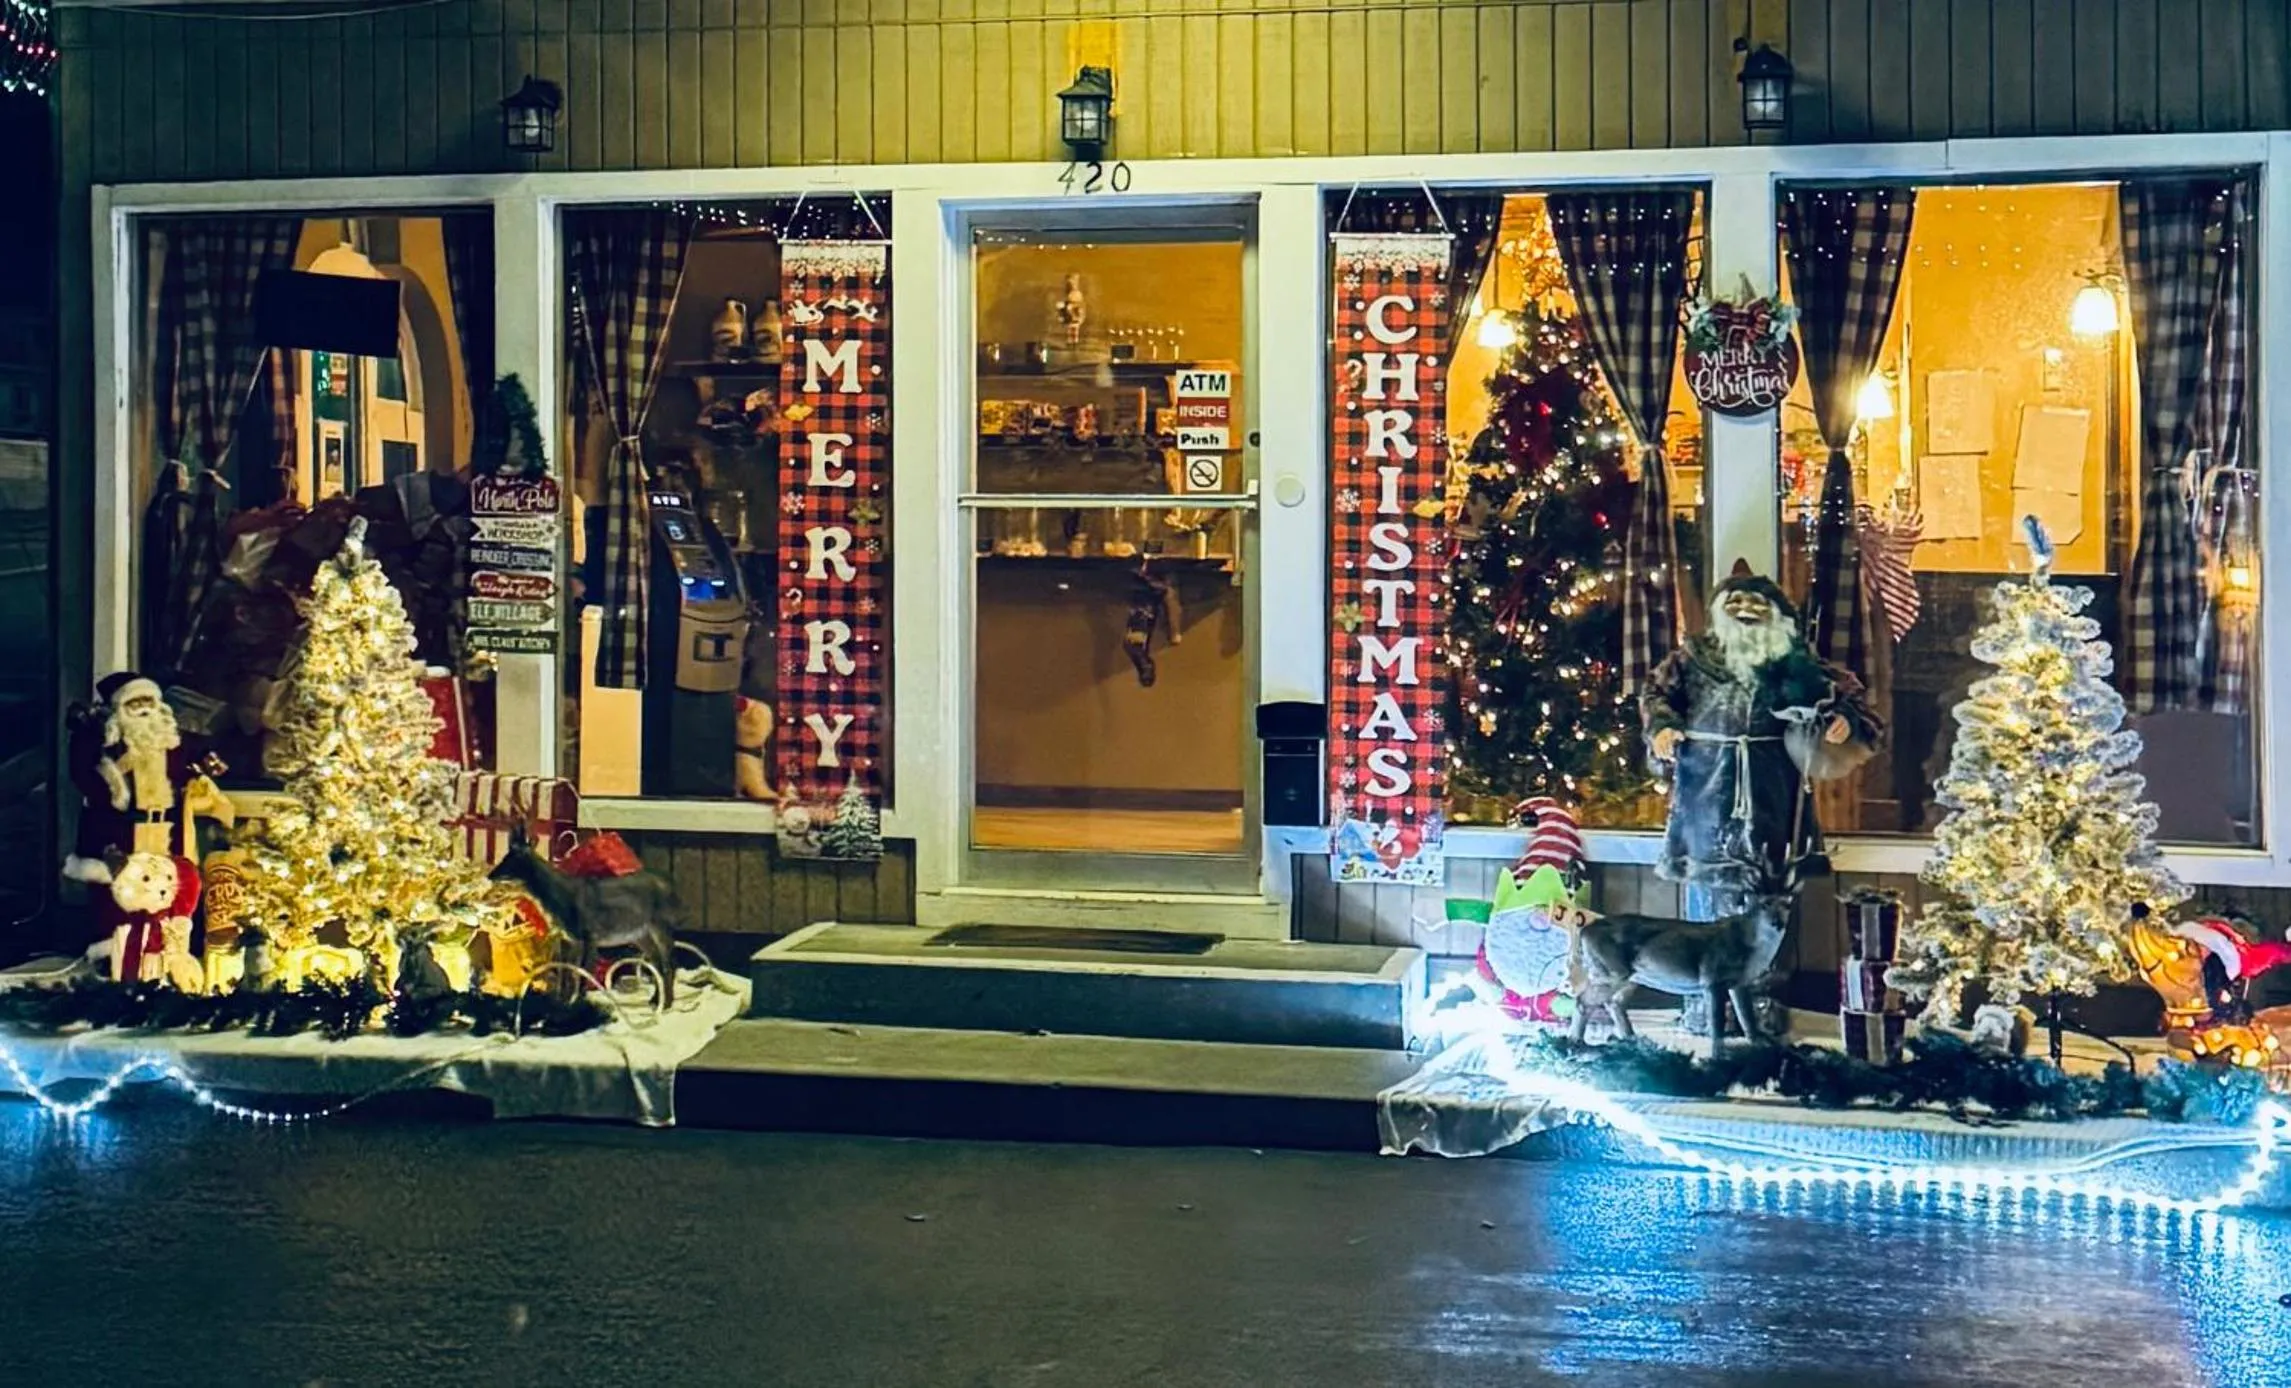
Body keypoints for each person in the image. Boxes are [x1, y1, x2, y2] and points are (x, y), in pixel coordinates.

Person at [1641, 561, 1882, 900]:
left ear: (1776, 613)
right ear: (1719, 610)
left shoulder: (1794, 662)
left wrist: (1844, 718)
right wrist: (1662, 726)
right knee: (1707, 901)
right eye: (1735, 602)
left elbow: (1849, 697)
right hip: (1706, 790)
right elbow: (1656, 694)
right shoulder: (1691, 658)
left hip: (1774, 791)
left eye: (1757, 603)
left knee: (1773, 897)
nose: (1745, 610)